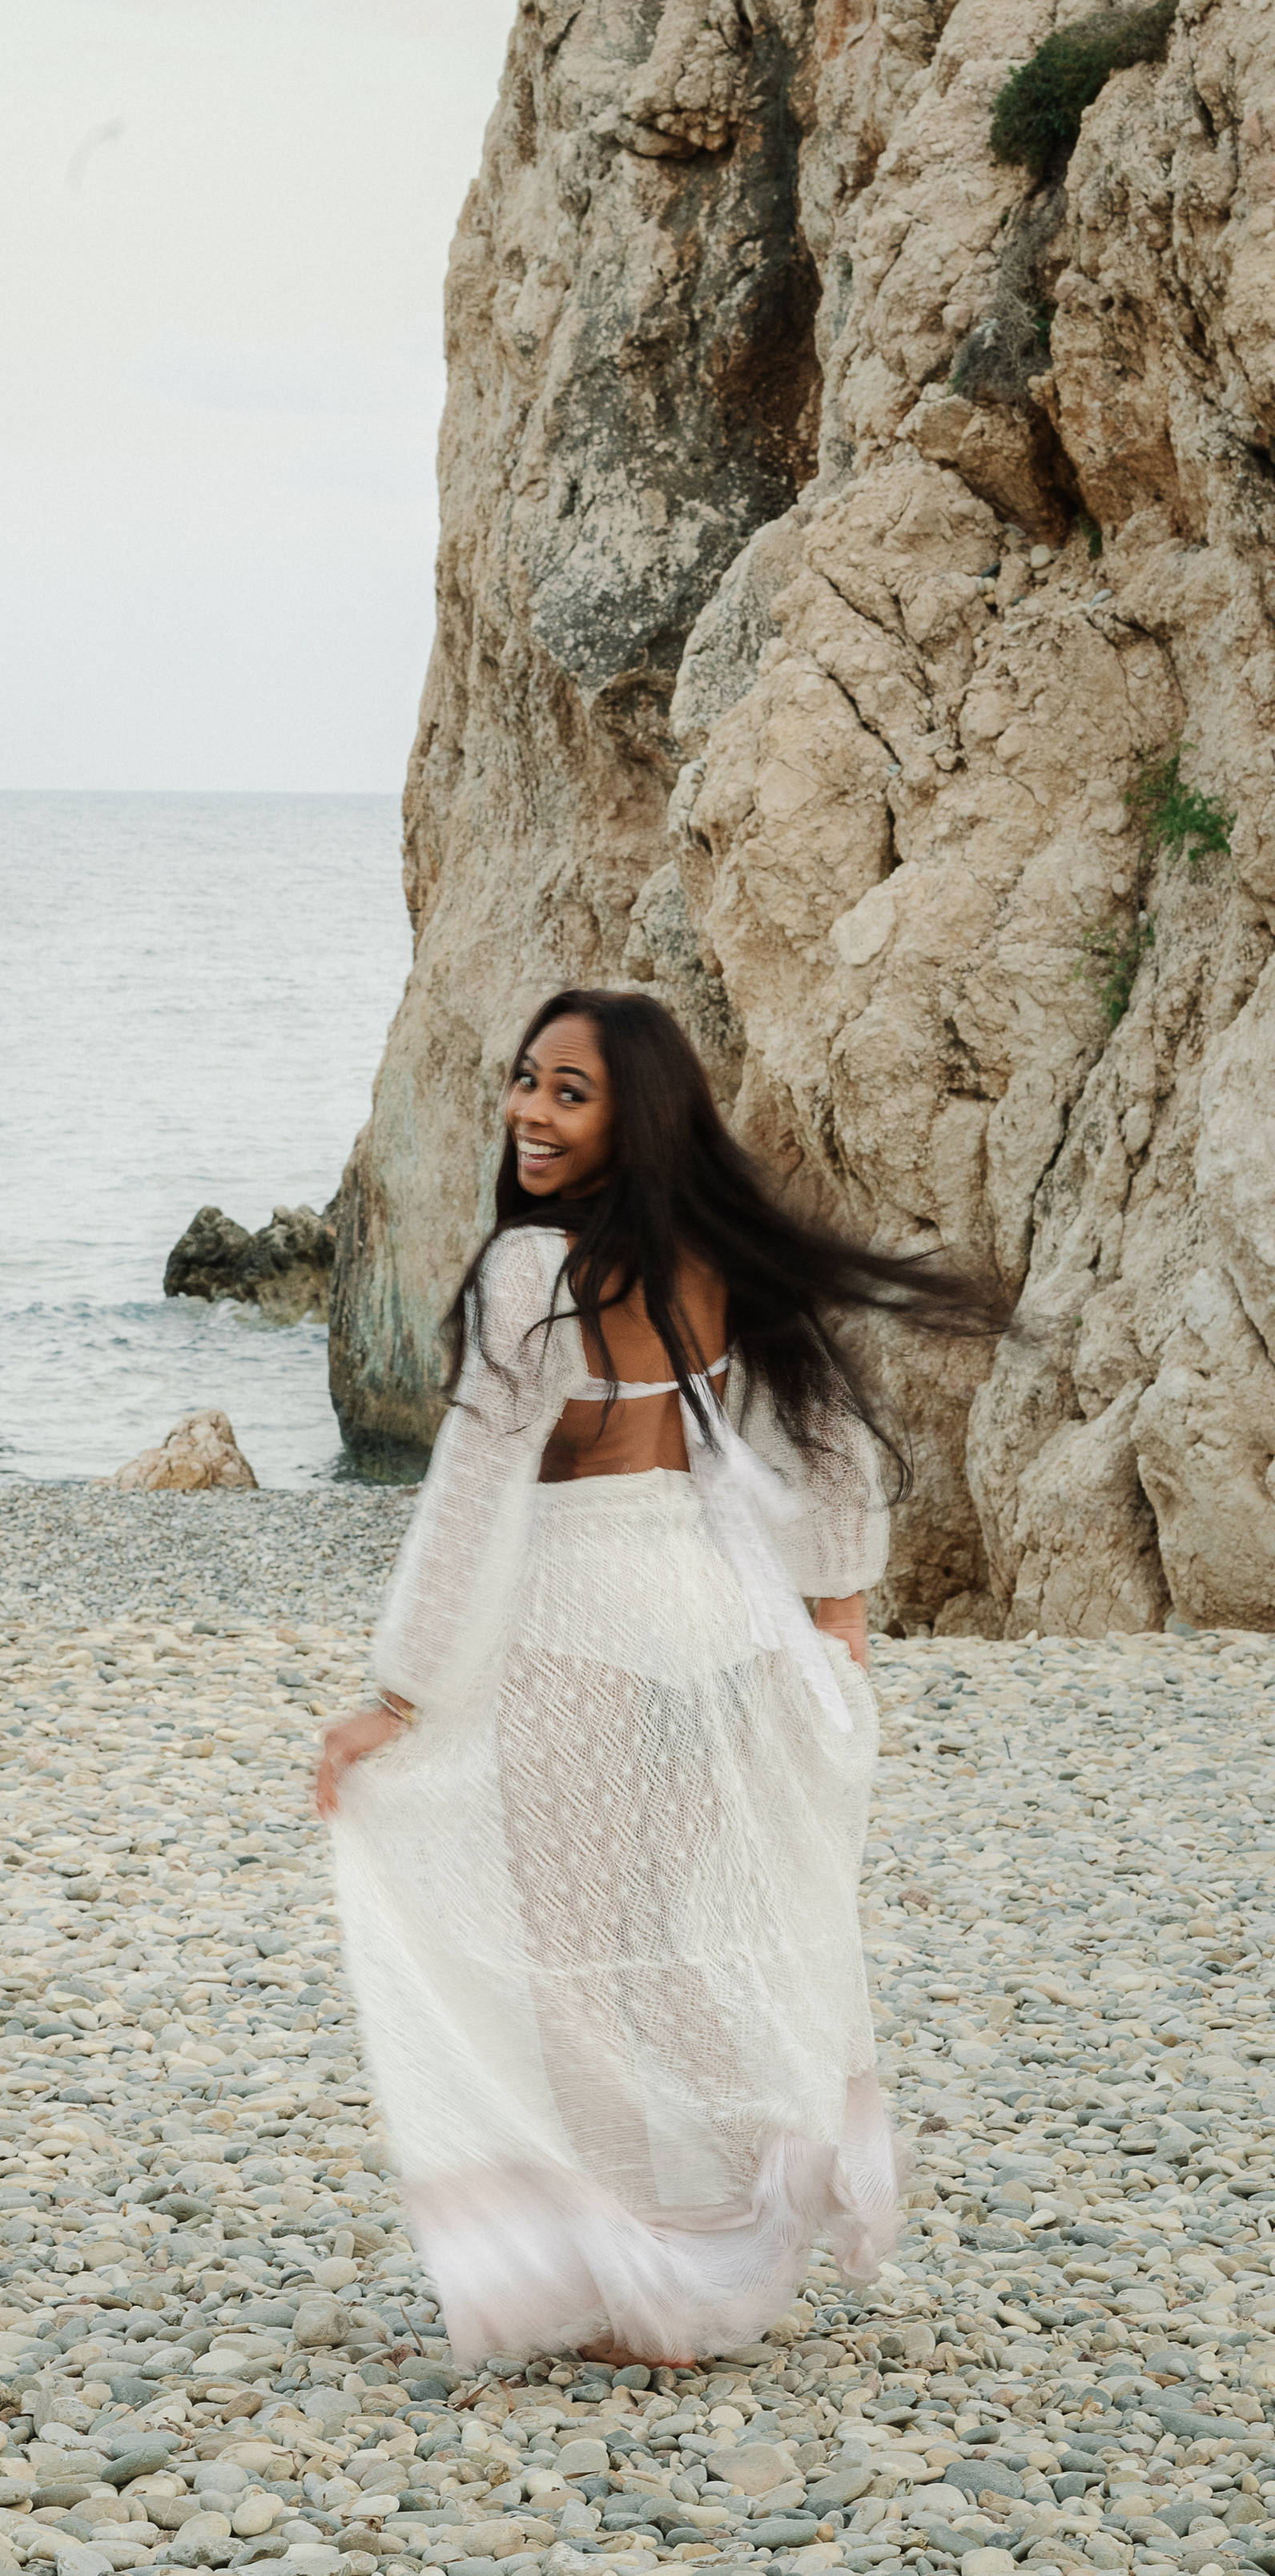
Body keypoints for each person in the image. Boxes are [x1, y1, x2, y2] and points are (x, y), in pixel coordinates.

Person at [316, 987, 999, 2371]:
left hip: (578, 1625)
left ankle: (656, 2283)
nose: (530, 1112)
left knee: (572, 1963)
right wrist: (838, 1621)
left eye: (571, 1092)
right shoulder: (718, 1259)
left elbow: (470, 1492)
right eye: (526, 1083)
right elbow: (828, 1442)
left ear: (638, 1114)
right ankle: (771, 2183)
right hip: (721, 1630)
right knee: (670, 1945)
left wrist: (397, 1695)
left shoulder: (533, 1272)